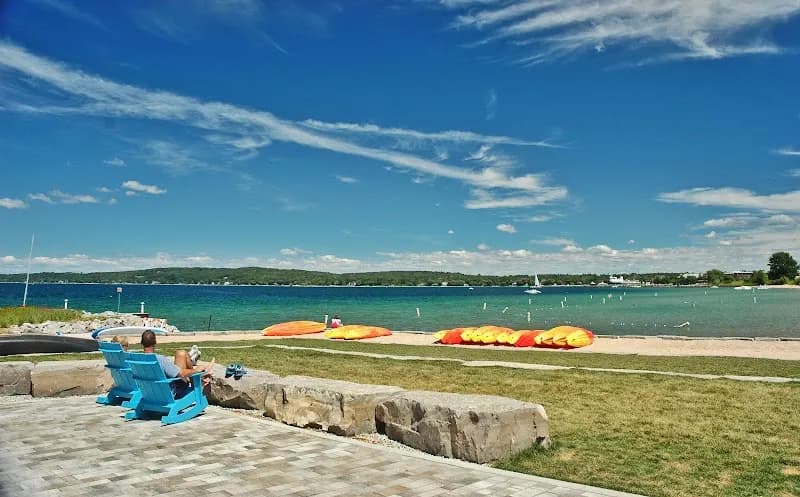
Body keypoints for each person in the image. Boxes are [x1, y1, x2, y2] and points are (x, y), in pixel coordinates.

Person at [139, 330, 212, 398]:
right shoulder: (160, 360)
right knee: (183, 361)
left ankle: (190, 358)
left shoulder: (137, 360)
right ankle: (199, 376)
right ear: (155, 342)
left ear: (142, 342)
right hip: (169, 393)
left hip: (149, 393)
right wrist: (197, 370)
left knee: (180, 353)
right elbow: (181, 374)